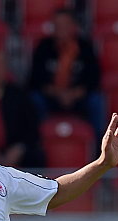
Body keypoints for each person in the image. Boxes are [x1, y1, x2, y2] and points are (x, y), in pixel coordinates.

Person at [28, 8, 104, 136]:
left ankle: (100, 147)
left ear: (73, 27)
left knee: (96, 101)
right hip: (52, 97)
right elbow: (35, 79)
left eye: (64, 25)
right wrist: (58, 93)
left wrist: (74, 94)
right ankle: (35, 144)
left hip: (78, 97)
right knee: (34, 99)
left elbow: (93, 78)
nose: (60, 29)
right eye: (56, 25)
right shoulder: (43, 47)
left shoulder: (85, 47)